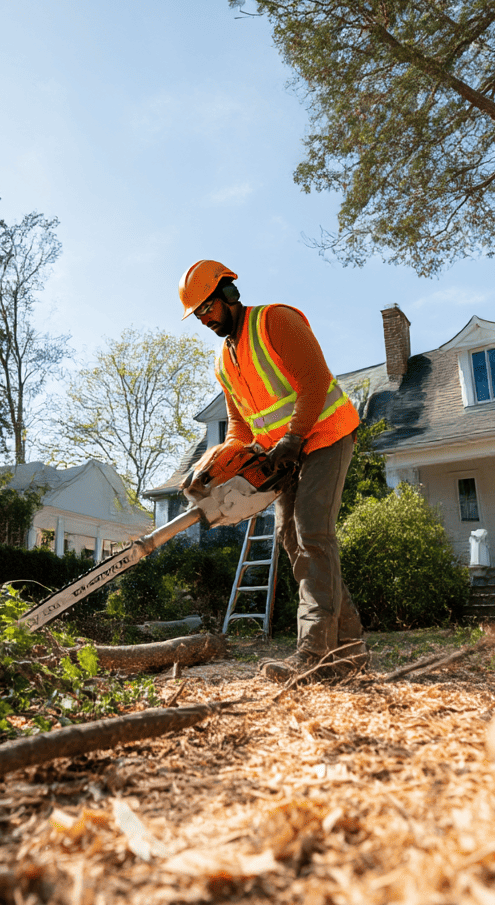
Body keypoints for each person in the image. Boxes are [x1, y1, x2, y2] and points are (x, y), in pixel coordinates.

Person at [179, 260, 366, 680]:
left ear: (228, 294)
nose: (205, 320)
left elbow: (315, 381)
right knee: (291, 540)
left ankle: (314, 655)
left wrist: (294, 437)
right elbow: (240, 427)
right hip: (284, 454)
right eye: (199, 315)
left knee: (312, 531)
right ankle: (351, 652)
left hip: (325, 434)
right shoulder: (224, 361)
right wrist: (212, 464)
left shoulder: (274, 322)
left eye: (208, 308)